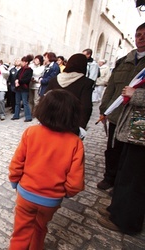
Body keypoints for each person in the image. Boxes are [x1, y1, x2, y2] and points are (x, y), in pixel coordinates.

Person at [8, 89, 85, 250]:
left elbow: (17, 162)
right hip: (51, 200)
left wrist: (15, 182)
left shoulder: (31, 132)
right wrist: (66, 193)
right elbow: (75, 182)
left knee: (21, 231)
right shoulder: (75, 142)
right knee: (40, 227)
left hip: (26, 194)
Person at [97, 22, 145, 191]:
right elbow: (111, 87)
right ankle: (109, 177)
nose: (141, 38)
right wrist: (104, 108)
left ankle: (122, 185)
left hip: (137, 119)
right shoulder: (123, 61)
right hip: (117, 115)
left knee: (129, 155)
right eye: (139, 34)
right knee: (112, 149)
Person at [97, 74, 145, 235]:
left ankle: (126, 221)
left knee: (135, 178)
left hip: (141, 134)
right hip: (135, 131)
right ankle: (117, 210)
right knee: (125, 172)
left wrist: (136, 95)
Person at [46, 53, 94, 129]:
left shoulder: (54, 80)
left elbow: (45, 99)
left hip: (51, 120)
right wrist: (81, 127)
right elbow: (86, 107)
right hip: (71, 122)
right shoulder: (86, 82)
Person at [11, 55, 33, 122]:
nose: (22, 63)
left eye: (23, 61)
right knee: (17, 102)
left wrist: (19, 81)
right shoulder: (21, 69)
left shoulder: (29, 70)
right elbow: (17, 76)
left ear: (26, 62)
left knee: (25, 102)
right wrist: (16, 81)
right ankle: (16, 115)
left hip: (24, 88)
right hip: (18, 88)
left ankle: (28, 117)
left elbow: (27, 79)